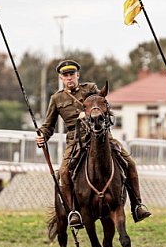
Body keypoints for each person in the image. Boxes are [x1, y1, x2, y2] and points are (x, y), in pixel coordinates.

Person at [36, 59, 151, 228]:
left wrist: (87, 114)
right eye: (65, 75)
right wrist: (42, 136)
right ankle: (74, 212)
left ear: (77, 75)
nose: (69, 78)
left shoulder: (90, 89)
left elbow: (102, 105)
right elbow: (48, 125)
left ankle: (137, 205)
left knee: (130, 163)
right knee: (64, 172)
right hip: (76, 140)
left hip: (102, 137)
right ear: (61, 78)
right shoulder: (56, 98)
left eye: (72, 74)